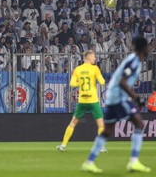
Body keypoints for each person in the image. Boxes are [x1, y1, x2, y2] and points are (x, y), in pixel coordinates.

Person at [81, 36, 151, 173]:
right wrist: (136, 98)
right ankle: (134, 161)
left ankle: (89, 162)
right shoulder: (134, 61)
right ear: (143, 47)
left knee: (107, 131)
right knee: (139, 124)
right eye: (148, 46)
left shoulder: (134, 60)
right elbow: (122, 82)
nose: (149, 49)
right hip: (119, 97)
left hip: (113, 96)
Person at [57, 50, 106, 152]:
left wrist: (80, 81)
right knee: (101, 124)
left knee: (72, 123)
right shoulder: (95, 68)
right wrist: (95, 78)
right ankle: (101, 147)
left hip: (82, 100)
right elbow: (102, 82)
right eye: (94, 57)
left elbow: (72, 84)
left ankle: (63, 145)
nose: (95, 58)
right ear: (88, 57)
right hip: (93, 100)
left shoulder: (78, 69)